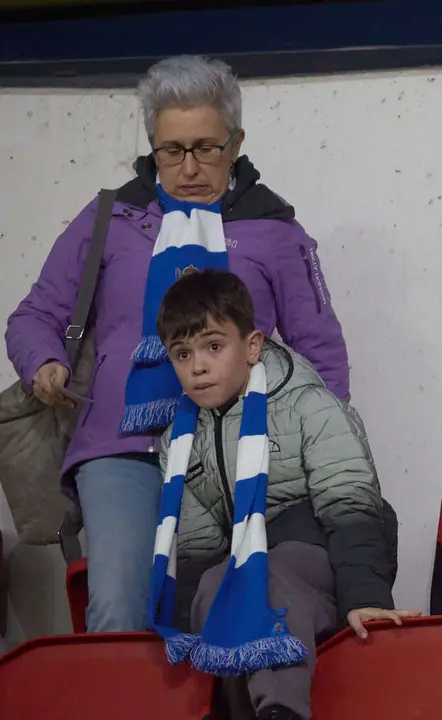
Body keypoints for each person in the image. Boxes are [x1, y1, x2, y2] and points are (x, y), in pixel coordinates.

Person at [5, 55, 350, 633]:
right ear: (153, 148)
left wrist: (319, 451)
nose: (189, 167)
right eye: (172, 150)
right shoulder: (110, 218)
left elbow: (321, 355)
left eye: (207, 148)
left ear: (236, 144)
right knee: (118, 612)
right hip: (123, 447)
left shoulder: (275, 231)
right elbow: (35, 316)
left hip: (241, 447)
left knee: (232, 614)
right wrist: (43, 362)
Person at [150, 269, 411, 720]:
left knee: (262, 578)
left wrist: (365, 596)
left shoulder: (309, 405)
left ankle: (280, 712)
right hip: (243, 567)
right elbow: (197, 549)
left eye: (214, 346)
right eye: (182, 353)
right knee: (215, 587)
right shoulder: (179, 441)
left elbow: (350, 507)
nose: (198, 367)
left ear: (252, 346)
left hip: (323, 555)